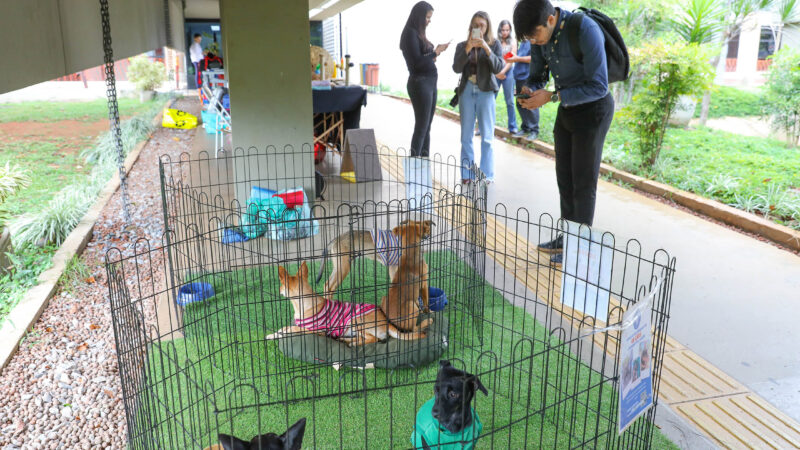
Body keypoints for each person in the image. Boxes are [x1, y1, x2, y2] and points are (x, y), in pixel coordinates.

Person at [514, 0, 614, 265]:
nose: (534, 42)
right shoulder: (539, 36)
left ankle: (579, 249)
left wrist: (552, 96)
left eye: (535, 35)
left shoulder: (585, 29)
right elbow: (538, 76)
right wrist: (530, 89)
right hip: (568, 110)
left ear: (550, 19)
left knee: (583, 183)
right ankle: (568, 237)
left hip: (594, 110)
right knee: (565, 180)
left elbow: (599, 86)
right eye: (529, 39)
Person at [453, 11, 505, 184]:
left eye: (482, 25)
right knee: (466, 136)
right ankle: (467, 174)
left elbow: (498, 68)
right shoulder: (462, 45)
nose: (479, 28)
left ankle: (486, 174)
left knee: (487, 137)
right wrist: (468, 47)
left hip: (486, 91)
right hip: (467, 90)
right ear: (471, 26)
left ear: (487, 26)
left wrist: (486, 47)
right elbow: (456, 68)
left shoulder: (494, 44)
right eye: (475, 25)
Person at [400, 1, 450, 158]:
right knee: (421, 127)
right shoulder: (410, 33)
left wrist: (433, 55)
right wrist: (435, 52)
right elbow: (416, 63)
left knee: (426, 127)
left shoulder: (417, 32)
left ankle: (423, 163)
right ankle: (414, 164)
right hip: (420, 83)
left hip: (428, 82)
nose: (429, 21)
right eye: (427, 17)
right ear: (419, 16)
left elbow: (422, 58)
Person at [505, 38, 540, 140]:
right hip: (519, 77)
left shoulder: (534, 41)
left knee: (530, 103)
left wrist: (517, 59)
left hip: (528, 77)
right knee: (520, 103)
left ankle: (534, 130)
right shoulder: (522, 42)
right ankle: (526, 127)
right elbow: (518, 56)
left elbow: (534, 58)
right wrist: (512, 57)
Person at [496, 20, 518, 135]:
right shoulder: (495, 42)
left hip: (508, 73)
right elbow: (493, 58)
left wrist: (502, 72)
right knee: (489, 100)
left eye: (507, 30)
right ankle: (483, 126)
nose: (505, 32)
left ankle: (512, 127)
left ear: (510, 30)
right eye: (503, 30)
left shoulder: (513, 42)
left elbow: (510, 60)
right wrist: (497, 73)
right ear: (500, 30)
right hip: (495, 72)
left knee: (510, 101)